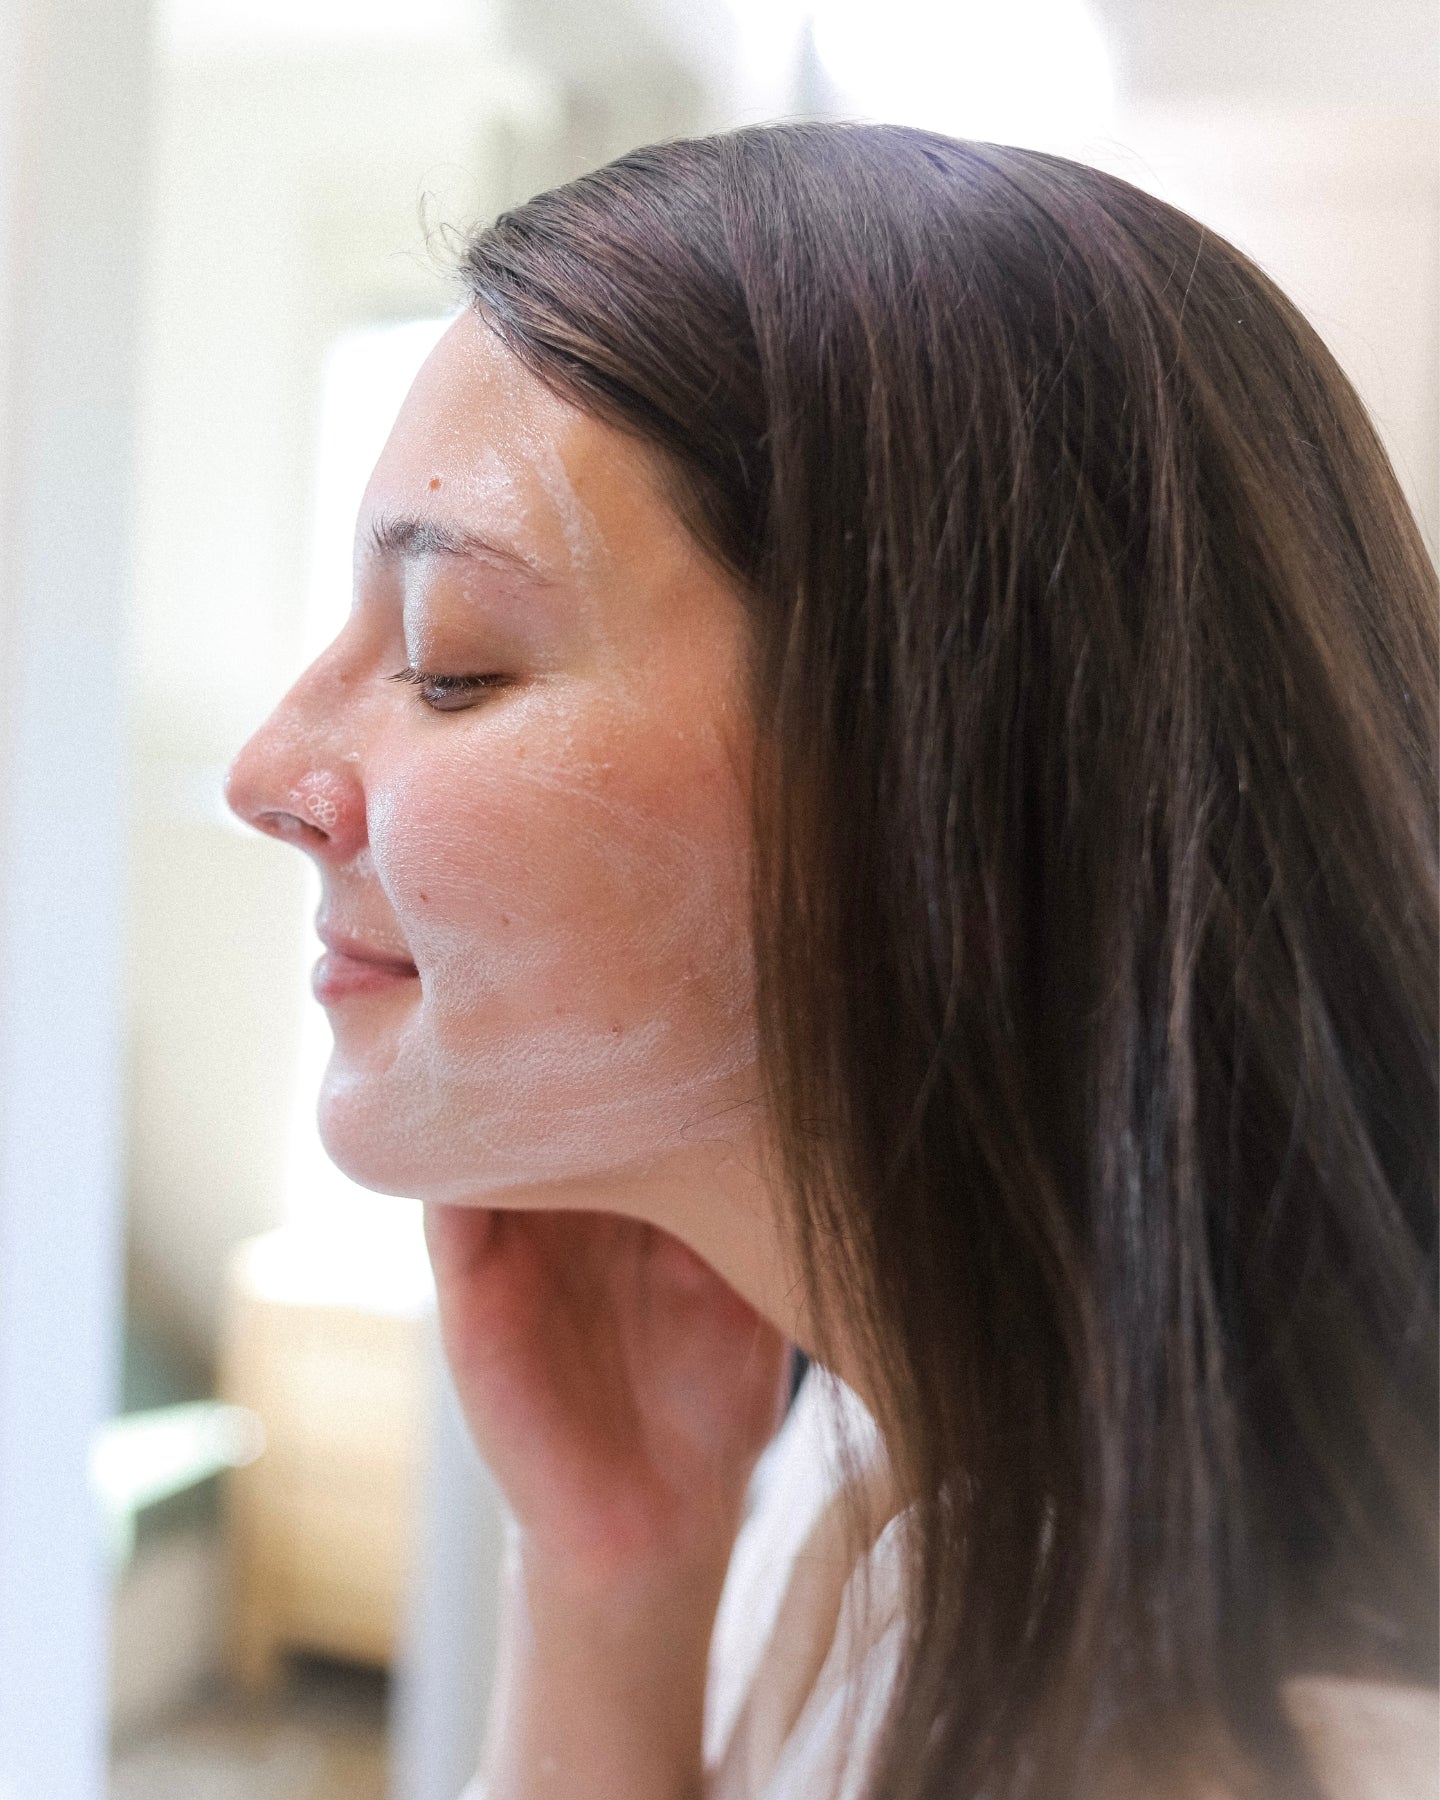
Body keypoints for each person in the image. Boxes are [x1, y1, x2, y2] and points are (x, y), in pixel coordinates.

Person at [225, 123, 1439, 1800]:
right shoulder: (878, 1473)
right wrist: (614, 1579)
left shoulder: (1306, 1745)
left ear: (940, 780)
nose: (267, 776)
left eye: (451, 664)